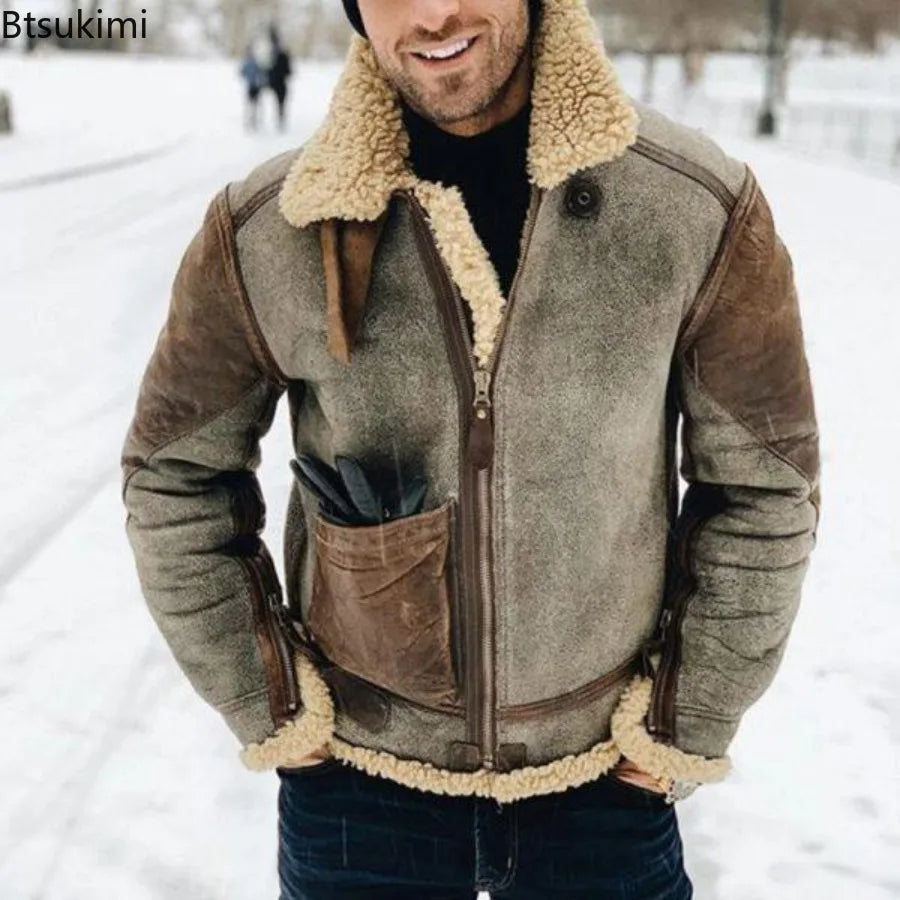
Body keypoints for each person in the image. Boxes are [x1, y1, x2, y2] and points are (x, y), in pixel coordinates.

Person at [119, 0, 821, 896]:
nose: (436, 12)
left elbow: (767, 490)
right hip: (360, 794)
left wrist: (684, 727)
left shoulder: (692, 209)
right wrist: (274, 711)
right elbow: (174, 480)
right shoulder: (269, 227)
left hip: (604, 788)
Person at [265, 24, 292, 132]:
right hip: (279, 83)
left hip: (276, 83)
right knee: (280, 103)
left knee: (279, 103)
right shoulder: (279, 54)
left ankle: (280, 120)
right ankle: (280, 119)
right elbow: (289, 71)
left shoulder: (272, 53)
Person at [238, 40, 267, 131]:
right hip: (253, 86)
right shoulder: (251, 62)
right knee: (253, 104)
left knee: (253, 104)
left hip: (254, 86)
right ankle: (252, 121)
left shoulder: (249, 62)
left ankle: (253, 121)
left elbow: (242, 73)